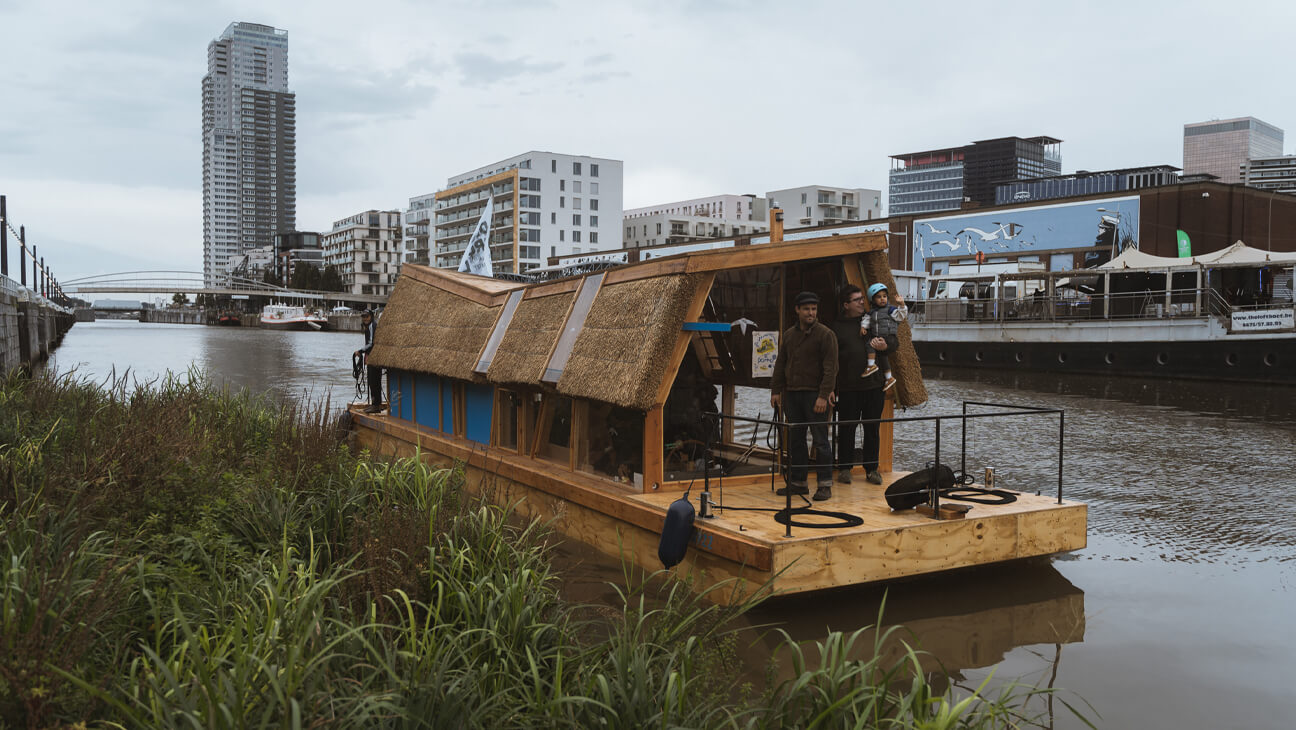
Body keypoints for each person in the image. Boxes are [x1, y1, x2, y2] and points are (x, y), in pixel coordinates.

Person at [770, 291, 838, 501]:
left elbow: (831, 369)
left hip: (815, 395)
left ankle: (825, 485)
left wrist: (823, 395)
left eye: (814, 309)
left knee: (820, 441)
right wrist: (775, 390)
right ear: (797, 310)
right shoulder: (790, 335)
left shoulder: (826, 335)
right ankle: (798, 483)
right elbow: (781, 363)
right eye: (807, 309)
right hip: (793, 394)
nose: (811, 313)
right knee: (796, 441)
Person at [832, 284, 892, 486]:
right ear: (846, 304)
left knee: (872, 429)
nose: (861, 303)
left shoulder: (872, 320)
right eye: (857, 300)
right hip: (849, 387)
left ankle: (872, 469)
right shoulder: (837, 327)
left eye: (862, 299)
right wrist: (832, 388)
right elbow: (831, 361)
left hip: (874, 386)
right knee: (847, 429)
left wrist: (886, 346)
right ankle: (845, 469)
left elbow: (892, 341)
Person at [859, 283, 907, 391]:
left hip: (889, 337)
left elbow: (900, 316)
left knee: (870, 344)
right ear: (873, 299)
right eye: (879, 297)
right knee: (882, 356)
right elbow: (866, 319)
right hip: (879, 336)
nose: (882, 299)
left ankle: (871, 365)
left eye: (884, 296)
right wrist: (863, 327)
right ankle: (889, 377)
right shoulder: (872, 312)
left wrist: (902, 305)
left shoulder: (891, 310)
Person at [354, 309, 385, 413]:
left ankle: (375, 405)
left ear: (371, 316)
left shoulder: (372, 326)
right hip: (372, 355)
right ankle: (376, 404)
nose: (365, 318)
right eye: (363, 316)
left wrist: (360, 351)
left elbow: (371, 343)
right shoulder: (369, 326)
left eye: (366, 316)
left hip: (374, 357)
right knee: (373, 381)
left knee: (374, 381)